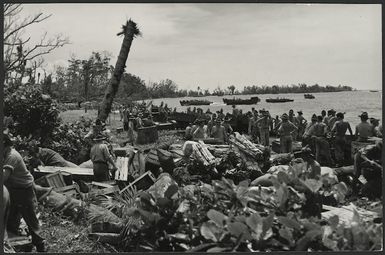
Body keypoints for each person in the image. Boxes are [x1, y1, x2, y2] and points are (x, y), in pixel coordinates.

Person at [3, 133, 47, 252]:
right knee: (11, 216)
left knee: (30, 218)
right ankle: (13, 243)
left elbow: (3, 177)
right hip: (13, 189)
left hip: (24, 190)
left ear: (5, 146)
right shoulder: (5, 154)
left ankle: (40, 243)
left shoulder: (12, 156)